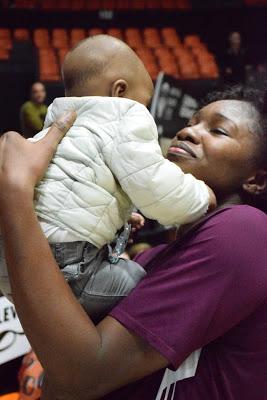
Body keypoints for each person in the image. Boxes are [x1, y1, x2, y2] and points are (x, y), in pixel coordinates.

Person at [0, 85, 266, 400]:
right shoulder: (146, 262)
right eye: (191, 122)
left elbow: (79, 376)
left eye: (217, 130)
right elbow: (58, 374)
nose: (187, 132)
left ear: (256, 180)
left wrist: (16, 191)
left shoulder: (246, 229)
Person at [0, 35, 215, 321]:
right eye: (145, 102)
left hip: (10, 260)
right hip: (64, 262)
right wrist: (201, 196)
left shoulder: (56, 127)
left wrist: (119, 215)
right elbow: (156, 188)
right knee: (142, 282)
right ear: (120, 91)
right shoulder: (125, 116)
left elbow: (71, 193)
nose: (145, 110)